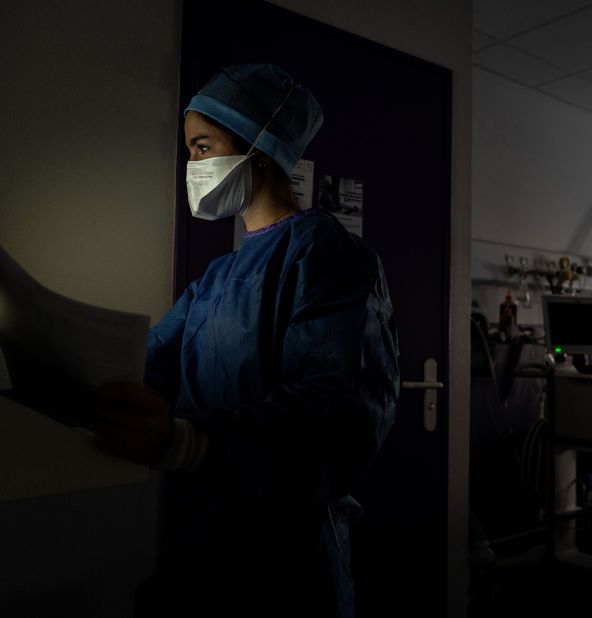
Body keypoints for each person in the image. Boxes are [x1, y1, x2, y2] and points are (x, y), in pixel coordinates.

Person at [93, 64, 399, 617]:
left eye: (204, 146)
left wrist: (190, 443)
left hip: (285, 559)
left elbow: (338, 411)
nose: (194, 166)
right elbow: (146, 367)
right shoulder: (215, 280)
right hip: (201, 541)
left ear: (258, 142)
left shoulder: (330, 256)